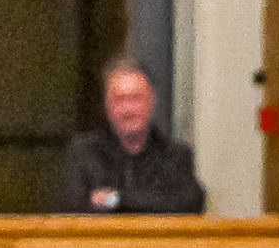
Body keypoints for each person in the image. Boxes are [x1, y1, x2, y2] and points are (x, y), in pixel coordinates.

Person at [55, 57, 206, 214]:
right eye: (119, 100)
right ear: (107, 105)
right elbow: (72, 207)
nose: (128, 110)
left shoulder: (175, 156)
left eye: (136, 98)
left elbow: (188, 203)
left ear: (151, 101)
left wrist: (115, 199)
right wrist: (147, 202)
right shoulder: (84, 153)